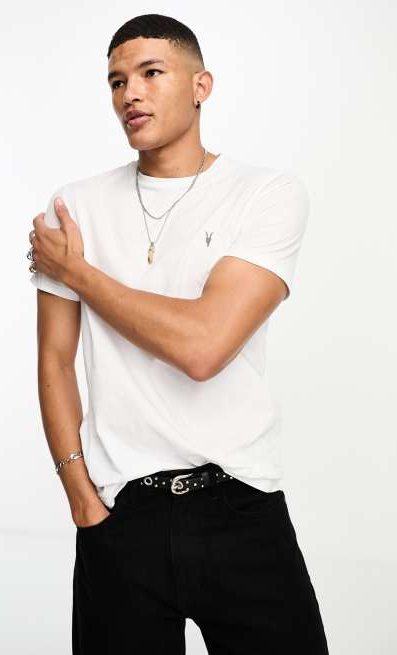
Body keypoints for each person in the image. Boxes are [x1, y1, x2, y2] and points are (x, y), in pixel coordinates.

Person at [27, 13, 329, 655]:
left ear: (201, 86)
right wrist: (81, 498)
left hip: (240, 505)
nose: (130, 94)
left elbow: (203, 348)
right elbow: (54, 361)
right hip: (120, 517)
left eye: (150, 73)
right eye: (117, 81)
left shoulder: (265, 195)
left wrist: (77, 273)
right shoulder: (74, 207)